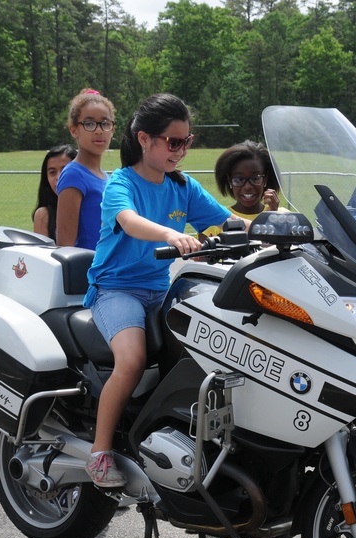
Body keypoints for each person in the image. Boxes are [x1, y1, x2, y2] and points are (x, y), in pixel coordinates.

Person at [83, 93, 246, 488]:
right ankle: (99, 453)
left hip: (162, 290)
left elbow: (229, 222)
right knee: (132, 359)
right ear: (144, 139)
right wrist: (173, 234)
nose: (181, 151)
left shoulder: (182, 186)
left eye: (186, 142)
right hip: (117, 291)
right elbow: (130, 220)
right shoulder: (121, 183)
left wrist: (279, 226)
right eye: (173, 142)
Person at [55, 89, 116, 249]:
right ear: (74, 130)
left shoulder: (106, 177)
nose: (98, 130)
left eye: (105, 123)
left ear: (112, 129)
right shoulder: (73, 175)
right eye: (89, 123)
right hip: (88, 271)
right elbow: (65, 245)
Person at [213, 140, 281, 223]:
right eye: (239, 179)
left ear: (265, 179)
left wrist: (273, 217)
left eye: (255, 178)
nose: (247, 187)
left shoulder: (283, 217)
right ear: (229, 180)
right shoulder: (216, 220)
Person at [32, 144, 77, 242]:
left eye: (65, 170)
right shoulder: (44, 215)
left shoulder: (95, 205)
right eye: (52, 172)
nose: (59, 177)